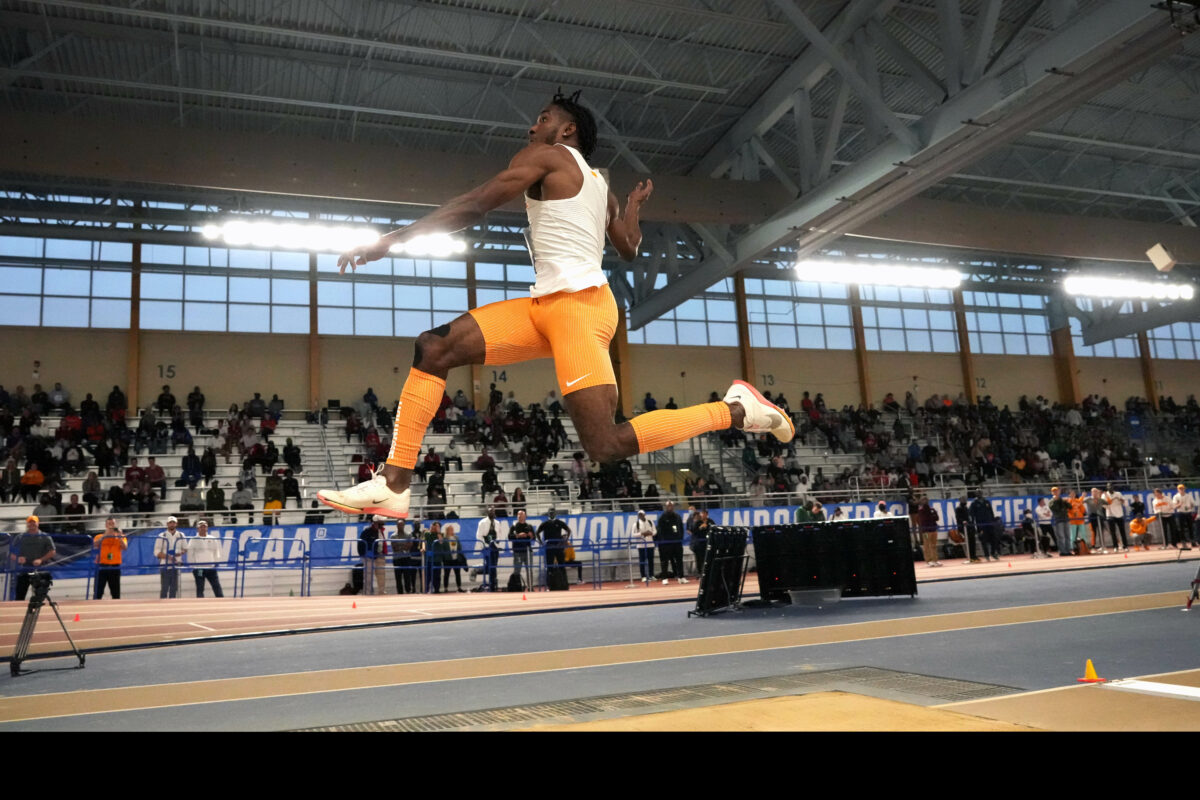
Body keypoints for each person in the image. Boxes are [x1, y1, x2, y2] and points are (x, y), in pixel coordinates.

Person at [316, 91, 792, 519]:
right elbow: (628, 245)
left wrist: (391, 240)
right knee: (435, 347)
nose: (531, 127)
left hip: (580, 309)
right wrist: (631, 207)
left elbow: (477, 203)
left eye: (541, 118)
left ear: (566, 131)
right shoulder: (599, 185)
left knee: (606, 444)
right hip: (546, 306)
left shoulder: (546, 156)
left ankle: (733, 410)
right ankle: (394, 484)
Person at [10, 516, 56, 602]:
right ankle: (20, 613)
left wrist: (41, 560)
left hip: (40, 570)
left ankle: (37, 613)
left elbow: (52, 551)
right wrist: (18, 559)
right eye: (30, 522)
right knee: (19, 596)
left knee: (39, 597)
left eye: (34, 522)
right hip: (23, 570)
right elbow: (11, 553)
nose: (32, 524)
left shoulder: (45, 536)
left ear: (38, 523)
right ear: (27, 524)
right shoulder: (20, 537)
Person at [91, 517, 127, 599]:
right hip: (102, 566)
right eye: (109, 524)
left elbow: (125, 547)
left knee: (115, 592)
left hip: (115, 566)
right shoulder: (99, 536)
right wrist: (105, 536)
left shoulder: (121, 536)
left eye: (113, 524)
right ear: (105, 525)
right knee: (98, 592)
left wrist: (119, 536)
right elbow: (95, 545)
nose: (111, 526)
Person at [188, 520, 225, 598]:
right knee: (200, 587)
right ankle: (200, 604)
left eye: (204, 526)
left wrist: (216, 562)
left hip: (211, 568)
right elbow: (190, 554)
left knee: (216, 586)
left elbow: (216, 551)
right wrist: (193, 566)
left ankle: (222, 601)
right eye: (201, 526)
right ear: (198, 528)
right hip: (199, 569)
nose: (203, 528)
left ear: (207, 528)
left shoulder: (212, 538)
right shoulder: (193, 539)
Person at [154, 516, 187, 599]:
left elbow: (185, 549)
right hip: (164, 565)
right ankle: (162, 607)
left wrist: (179, 554)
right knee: (164, 588)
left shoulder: (181, 535)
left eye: (173, 522)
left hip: (176, 565)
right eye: (170, 523)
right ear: (167, 524)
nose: (172, 524)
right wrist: (168, 557)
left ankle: (172, 605)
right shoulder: (162, 535)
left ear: (176, 524)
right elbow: (156, 552)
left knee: (174, 588)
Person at [537, 509, 571, 588]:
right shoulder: (545, 523)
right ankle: (550, 586)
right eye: (550, 512)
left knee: (562, 565)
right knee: (550, 567)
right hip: (549, 547)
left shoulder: (559, 522)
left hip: (558, 547)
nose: (551, 514)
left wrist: (564, 541)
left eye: (553, 512)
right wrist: (542, 543)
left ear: (555, 513)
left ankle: (565, 585)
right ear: (548, 514)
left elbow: (568, 530)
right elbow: (537, 533)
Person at [655, 500, 686, 584]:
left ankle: (681, 577)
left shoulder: (677, 516)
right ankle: (664, 578)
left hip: (677, 543)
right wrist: (664, 541)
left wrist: (680, 538)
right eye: (668, 506)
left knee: (679, 560)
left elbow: (681, 528)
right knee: (665, 561)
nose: (670, 507)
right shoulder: (662, 517)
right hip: (666, 544)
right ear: (666, 507)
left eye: (671, 506)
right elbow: (660, 531)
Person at [358, 516, 389, 595]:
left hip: (380, 556)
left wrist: (383, 553)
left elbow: (382, 544)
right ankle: (367, 593)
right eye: (380, 524)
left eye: (382, 524)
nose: (382, 525)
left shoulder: (381, 531)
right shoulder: (366, 532)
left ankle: (381, 592)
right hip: (369, 558)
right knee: (368, 577)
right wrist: (364, 554)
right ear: (375, 523)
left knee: (381, 575)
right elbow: (360, 544)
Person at [633, 509, 656, 583]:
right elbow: (633, 534)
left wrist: (651, 533)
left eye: (641, 514)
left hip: (650, 544)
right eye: (639, 515)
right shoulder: (636, 524)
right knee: (642, 561)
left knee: (651, 560)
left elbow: (655, 531)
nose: (640, 516)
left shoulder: (650, 522)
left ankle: (651, 575)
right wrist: (642, 533)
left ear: (644, 514)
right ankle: (643, 576)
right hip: (641, 545)